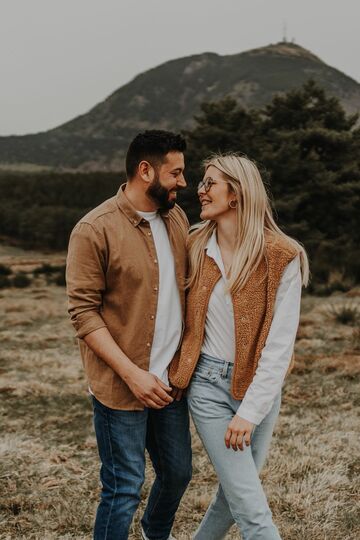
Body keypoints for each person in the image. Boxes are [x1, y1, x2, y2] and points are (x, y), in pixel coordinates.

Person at [169, 153, 309, 540]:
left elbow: (279, 348)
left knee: (234, 498)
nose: (200, 189)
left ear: (237, 194)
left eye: (210, 182)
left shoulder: (282, 256)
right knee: (252, 509)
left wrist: (249, 413)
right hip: (207, 387)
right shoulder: (196, 246)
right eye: (201, 182)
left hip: (260, 391)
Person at [66, 130, 192, 540]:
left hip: (169, 384)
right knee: (123, 488)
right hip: (121, 387)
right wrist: (132, 374)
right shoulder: (94, 229)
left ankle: (154, 534)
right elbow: (83, 313)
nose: (183, 182)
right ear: (145, 170)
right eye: (176, 173)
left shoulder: (177, 219)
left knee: (177, 474)